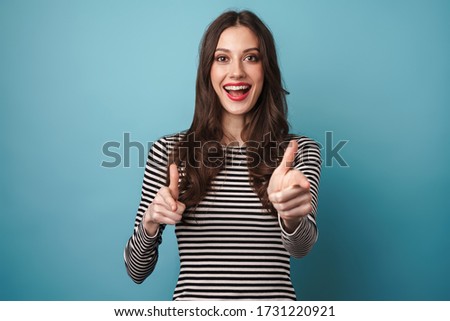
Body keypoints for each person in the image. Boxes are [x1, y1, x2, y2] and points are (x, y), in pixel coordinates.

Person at [124, 10, 321, 301]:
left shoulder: (298, 153)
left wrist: (291, 216)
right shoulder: (168, 152)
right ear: (208, 70)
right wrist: (151, 222)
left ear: (267, 69)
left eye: (251, 57)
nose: (237, 72)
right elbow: (136, 270)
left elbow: (301, 249)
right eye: (222, 58)